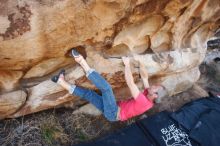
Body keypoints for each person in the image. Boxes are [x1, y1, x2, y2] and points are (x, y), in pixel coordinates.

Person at [51, 49, 167, 121]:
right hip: (113, 112)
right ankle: (61, 81)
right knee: (89, 95)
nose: (154, 85)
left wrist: (127, 64)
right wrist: (140, 61)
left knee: (106, 88)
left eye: (156, 87)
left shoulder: (144, 102)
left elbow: (131, 83)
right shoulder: (149, 95)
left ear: (155, 95)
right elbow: (145, 77)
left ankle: (81, 61)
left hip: (114, 112)